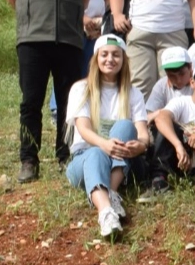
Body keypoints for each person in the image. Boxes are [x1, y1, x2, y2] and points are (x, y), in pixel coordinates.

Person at [2, 0, 95, 182]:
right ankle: (29, 160)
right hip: (32, 40)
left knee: (69, 101)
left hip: (69, 40)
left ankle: (65, 155)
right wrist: (30, 16)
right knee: (31, 102)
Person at [64, 34, 150, 240]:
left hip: (121, 162)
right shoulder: (81, 89)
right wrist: (104, 144)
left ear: (124, 60)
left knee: (125, 126)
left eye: (116, 55)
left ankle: (111, 191)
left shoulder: (134, 93)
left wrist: (140, 146)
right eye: (104, 54)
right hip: (84, 159)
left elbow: (143, 134)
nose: (110, 59)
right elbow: (83, 129)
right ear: (96, 58)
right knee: (96, 152)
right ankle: (106, 213)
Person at [142, 59, 195, 200]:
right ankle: (159, 179)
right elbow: (161, 118)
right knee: (165, 126)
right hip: (180, 156)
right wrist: (178, 145)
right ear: (193, 83)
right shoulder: (181, 102)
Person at [146, 47, 194, 113]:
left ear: (190, 67)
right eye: (172, 76)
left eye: (182, 74)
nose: (178, 80)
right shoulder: (161, 85)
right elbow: (149, 114)